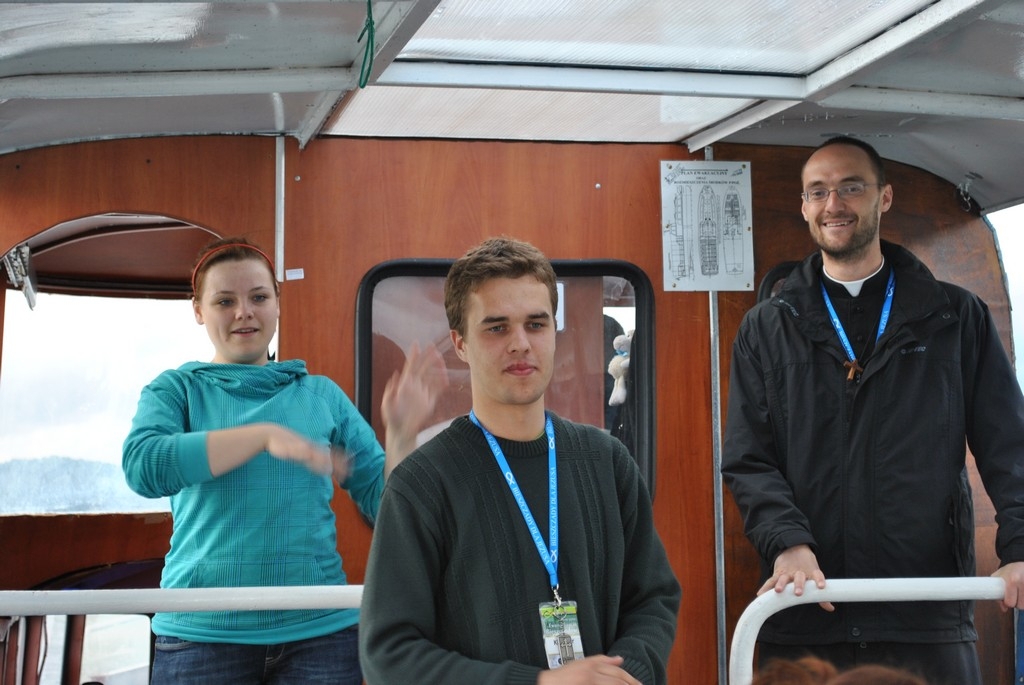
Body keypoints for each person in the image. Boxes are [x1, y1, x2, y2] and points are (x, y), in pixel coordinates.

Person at [721, 136, 1024, 685]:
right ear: (804, 207)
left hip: (925, 614)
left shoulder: (956, 317)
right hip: (807, 607)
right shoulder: (766, 328)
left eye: (851, 188)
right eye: (818, 192)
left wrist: (1020, 548)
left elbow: (1010, 447)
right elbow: (748, 458)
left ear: (884, 197)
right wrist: (788, 543)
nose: (833, 204)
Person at [358, 236, 681, 684]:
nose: (521, 343)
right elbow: (388, 655)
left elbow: (653, 599)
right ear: (460, 343)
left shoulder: (609, 462)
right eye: (496, 328)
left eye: (536, 324)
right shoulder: (421, 483)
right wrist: (539, 682)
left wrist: (623, 676)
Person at [122, 236, 444, 684]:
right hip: (201, 634)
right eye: (225, 301)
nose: (244, 312)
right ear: (198, 310)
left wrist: (402, 433)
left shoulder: (322, 395)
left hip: (321, 636)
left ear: (277, 304)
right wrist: (262, 436)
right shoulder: (176, 389)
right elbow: (143, 467)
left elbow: (387, 507)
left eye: (258, 297)